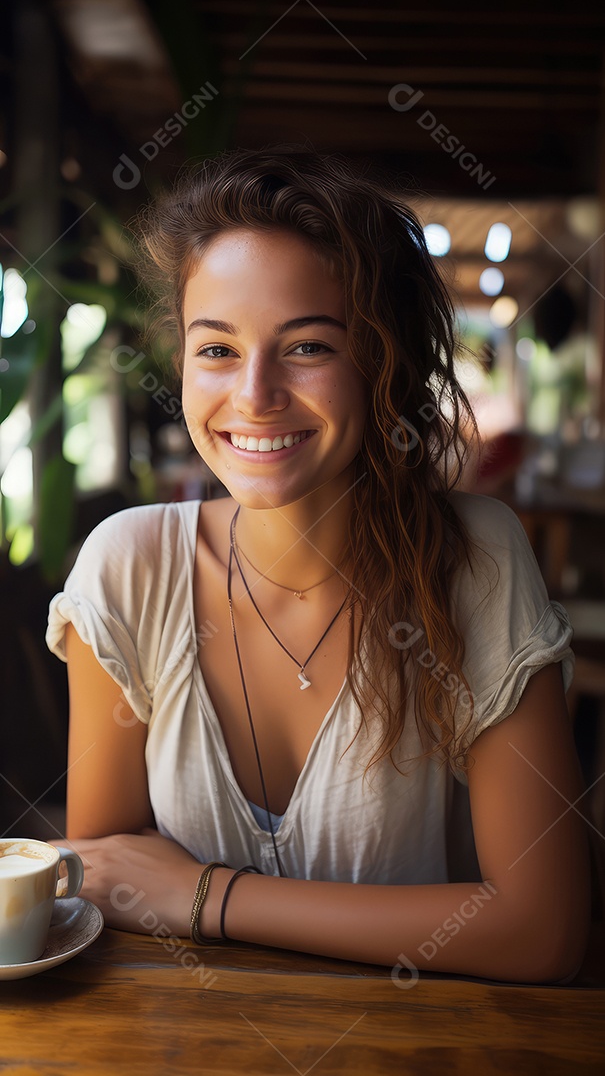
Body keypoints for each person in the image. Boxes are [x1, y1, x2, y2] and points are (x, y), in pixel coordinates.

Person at [46, 146, 590, 984]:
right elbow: (107, 886)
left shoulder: (472, 558)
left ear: (383, 363)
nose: (254, 394)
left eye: (306, 348)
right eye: (217, 350)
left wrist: (206, 896)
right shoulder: (131, 567)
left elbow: (541, 931)